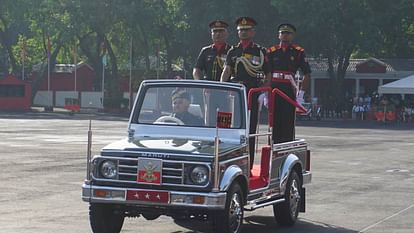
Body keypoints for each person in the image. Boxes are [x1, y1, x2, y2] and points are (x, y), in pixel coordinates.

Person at [220, 17, 269, 169]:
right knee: (228, 129)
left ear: (253, 32)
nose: (243, 32)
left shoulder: (260, 51)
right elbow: (227, 71)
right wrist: (222, 88)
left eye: (246, 30)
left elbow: (268, 74)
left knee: (249, 130)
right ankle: (230, 162)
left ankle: (248, 162)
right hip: (234, 94)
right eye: (241, 30)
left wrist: (263, 93)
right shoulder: (233, 51)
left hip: (252, 93)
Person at [265, 23, 311, 143]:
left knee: (288, 122)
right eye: (282, 33)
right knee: (273, 122)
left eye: (288, 33)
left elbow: (307, 73)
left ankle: (286, 149)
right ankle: (273, 148)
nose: (285, 35)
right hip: (274, 89)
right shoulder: (271, 51)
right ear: (278, 35)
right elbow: (267, 73)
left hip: (289, 90)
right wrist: (265, 93)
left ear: (292, 36)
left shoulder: (298, 52)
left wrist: (301, 95)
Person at [193, 20, 231, 126]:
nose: (217, 34)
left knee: (224, 121)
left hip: (225, 92)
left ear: (227, 34)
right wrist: (201, 84)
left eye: (221, 31)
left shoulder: (231, 51)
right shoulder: (206, 51)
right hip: (209, 92)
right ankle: (210, 142)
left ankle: (223, 139)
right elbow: (196, 70)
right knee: (209, 120)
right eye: (215, 31)